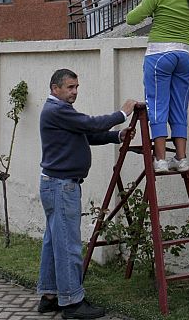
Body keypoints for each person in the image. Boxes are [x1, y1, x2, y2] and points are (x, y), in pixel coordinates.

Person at [37, 68, 136, 320]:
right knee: (68, 245)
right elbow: (90, 124)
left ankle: (50, 297)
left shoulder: (60, 111)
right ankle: (72, 303)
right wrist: (122, 113)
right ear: (55, 88)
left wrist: (117, 136)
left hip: (56, 184)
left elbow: (86, 133)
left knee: (53, 242)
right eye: (70, 87)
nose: (75, 92)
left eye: (76, 87)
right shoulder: (56, 110)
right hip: (61, 186)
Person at [126, 0, 189, 173]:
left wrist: (154, 12)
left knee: (157, 105)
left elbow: (131, 19)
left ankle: (160, 160)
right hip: (184, 55)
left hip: (159, 55)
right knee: (179, 106)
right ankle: (181, 158)